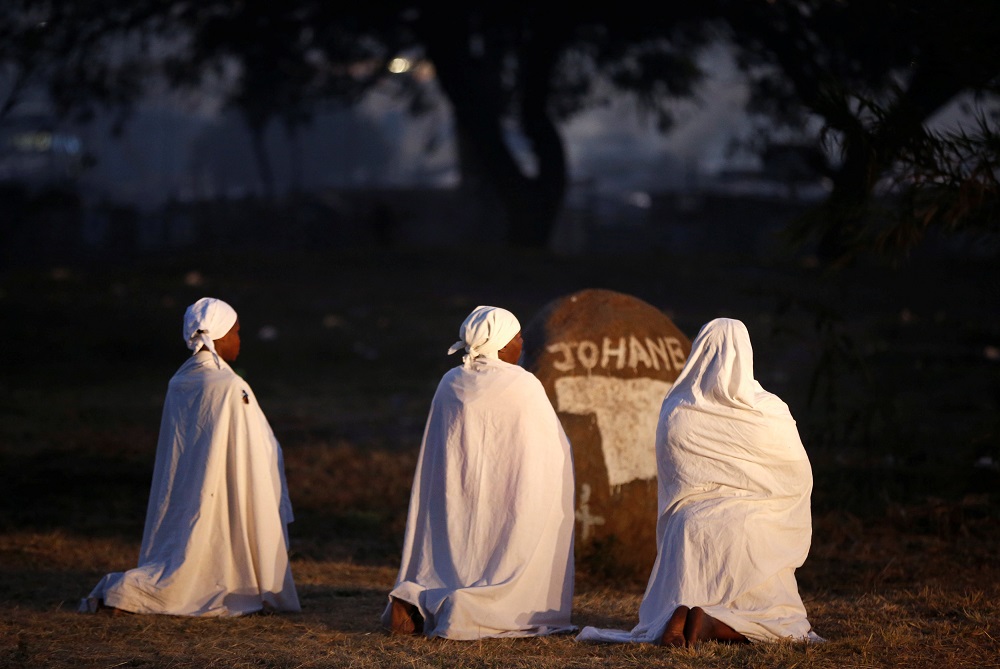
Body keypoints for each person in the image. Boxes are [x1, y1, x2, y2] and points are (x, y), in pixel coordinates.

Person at [577, 318, 823, 647]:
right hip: (753, 526)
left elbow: (677, 479)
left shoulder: (677, 410)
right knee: (782, 625)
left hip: (689, 528)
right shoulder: (769, 411)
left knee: (691, 520)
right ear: (746, 355)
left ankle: (677, 613)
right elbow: (796, 476)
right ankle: (714, 623)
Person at [79, 297, 300, 617]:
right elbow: (253, 445)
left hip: (185, 492)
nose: (239, 340)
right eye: (236, 332)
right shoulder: (228, 385)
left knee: (186, 543)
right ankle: (133, 594)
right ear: (221, 335)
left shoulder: (180, 380)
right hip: (223, 485)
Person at [381, 305, 576, 640]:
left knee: (454, 551)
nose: (522, 342)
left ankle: (420, 596)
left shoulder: (452, 381)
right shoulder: (522, 384)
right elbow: (548, 448)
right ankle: (466, 606)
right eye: (516, 337)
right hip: (510, 494)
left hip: (456, 493)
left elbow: (441, 449)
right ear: (500, 342)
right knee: (503, 552)